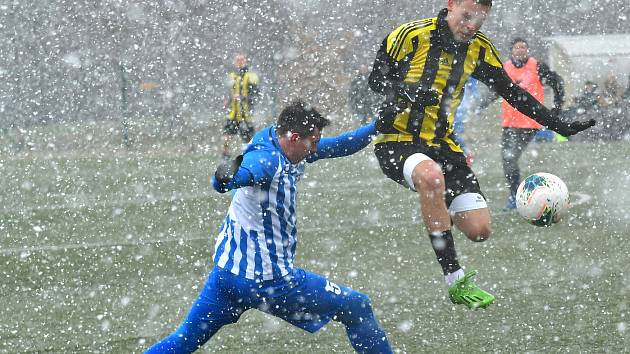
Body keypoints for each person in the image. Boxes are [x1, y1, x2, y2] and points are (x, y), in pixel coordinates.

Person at [368, 0, 595, 309]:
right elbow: (375, 81)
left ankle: (433, 205)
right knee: (431, 177)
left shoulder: (479, 48)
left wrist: (557, 123)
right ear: (451, 5)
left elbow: (513, 93)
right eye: (467, 16)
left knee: (479, 231)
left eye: (479, 19)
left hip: (443, 145)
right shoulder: (410, 36)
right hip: (398, 141)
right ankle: (454, 278)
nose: (472, 25)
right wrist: (407, 91)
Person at [146, 101, 393, 353]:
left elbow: (340, 145)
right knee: (357, 306)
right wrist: (225, 179)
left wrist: (377, 127)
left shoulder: (279, 140)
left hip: (227, 275)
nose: (317, 148)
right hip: (268, 281)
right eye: (314, 142)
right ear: (295, 138)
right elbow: (244, 172)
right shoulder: (268, 161)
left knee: (183, 340)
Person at [494, 38, 566, 210]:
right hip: (509, 123)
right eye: (517, 47)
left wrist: (557, 107)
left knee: (510, 158)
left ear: (528, 50)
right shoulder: (505, 68)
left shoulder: (537, 66)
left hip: (529, 122)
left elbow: (557, 82)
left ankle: (516, 197)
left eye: (523, 47)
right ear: (511, 51)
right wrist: (479, 105)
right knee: (507, 159)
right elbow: (495, 89)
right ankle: (515, 195)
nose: (520, 50)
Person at [222, 53, 260, 159]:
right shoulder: (233, 76)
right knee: (227, 136)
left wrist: (244, 98)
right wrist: (228, 100)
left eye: (241, 60)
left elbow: (256, 94)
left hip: (246, 113)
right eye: (237, 60)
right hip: (233, 112)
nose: (239, 62)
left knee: (248, 138)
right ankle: (226, 156)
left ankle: (248, 156)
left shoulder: (251, 76)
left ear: (246, 60)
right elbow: (229, 91)